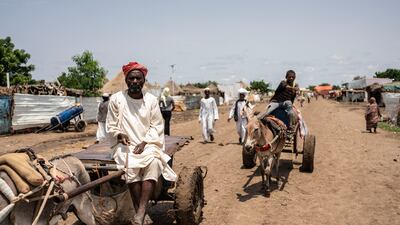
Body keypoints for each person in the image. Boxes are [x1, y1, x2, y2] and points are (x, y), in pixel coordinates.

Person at [106, 61, 177, 225]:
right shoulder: (116, 99)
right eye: (131, 78)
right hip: (125, 143)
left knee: (152, 162)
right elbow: (110, 124)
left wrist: (145, 142)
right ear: (126, 80)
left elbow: (157, 125)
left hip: (148, 142)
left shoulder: (151, 100)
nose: (135, 82)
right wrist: (119, 134)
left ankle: (141, 211)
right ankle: (141, 214)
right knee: (130, 166)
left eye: (138, 79)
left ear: (144, 81)